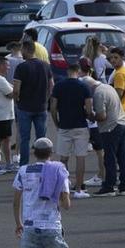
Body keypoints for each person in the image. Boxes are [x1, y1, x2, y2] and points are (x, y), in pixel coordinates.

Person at [13, 137, 71, 248]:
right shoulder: (59, 171)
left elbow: (16, 201)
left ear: (34, 153)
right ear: (51, 153)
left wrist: (18, 223)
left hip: (30, 227)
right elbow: (66, 204)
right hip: (52, 227)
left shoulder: (23, 171)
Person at [50, 61, 94, 199]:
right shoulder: (84, 86)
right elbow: (88, 109)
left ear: (67, 71)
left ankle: (65, 187)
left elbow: (53, 107)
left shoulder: (59, 86)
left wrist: (57, 122)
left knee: (63, 158)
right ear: (79, 71)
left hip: (64, 125)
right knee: (80, 157)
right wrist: (90, 117)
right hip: (80, 125)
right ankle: (79, 189)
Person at [89, 60, 125, 197]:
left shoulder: (98, 94)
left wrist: (90, 115)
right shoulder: (107, 87)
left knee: (110, 158)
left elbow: (102, 116)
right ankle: (124, 186)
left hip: (110, 128)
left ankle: (109, 186)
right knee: (122, 156)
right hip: (123, 123)